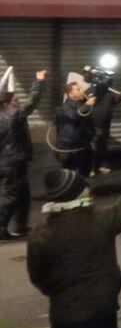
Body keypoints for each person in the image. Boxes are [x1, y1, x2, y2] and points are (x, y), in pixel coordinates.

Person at [27, 135, 121, 328]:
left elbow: (38, 277)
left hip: (63, 316)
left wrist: (61, 293)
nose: (89, 192)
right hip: (101, 312)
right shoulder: (100, 221)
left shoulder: (40, 234)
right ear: (79, 195)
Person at [0, 69, 46, 239]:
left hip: (9, 162)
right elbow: (32, 103)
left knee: (23, 195)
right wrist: (39, 82)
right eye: (14, 100)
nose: (17, 101)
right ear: (6, 103)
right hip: (12, 164)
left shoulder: (6, 114)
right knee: (9, 197)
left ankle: (20, 225)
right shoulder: (12, 116)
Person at [54, 81, 97, 177]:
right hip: (71, 147)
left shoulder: (80, 104)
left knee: (85, 170)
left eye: (81, 88)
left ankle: (84, 189)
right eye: (78, 89)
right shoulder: (65, 107)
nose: (82, 91)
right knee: (70, 173)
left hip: (83, 144)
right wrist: (87, 105)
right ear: (71, 94)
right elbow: (74, 116)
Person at [89, 82, 121, 176]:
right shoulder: (92, 94)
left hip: (105, 125)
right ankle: (91, 168)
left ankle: (99, 166)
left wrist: (120, 96)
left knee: (102, 146)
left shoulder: (109, 95)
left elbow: (115, 101)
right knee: (94, 147)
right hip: (94, 125)